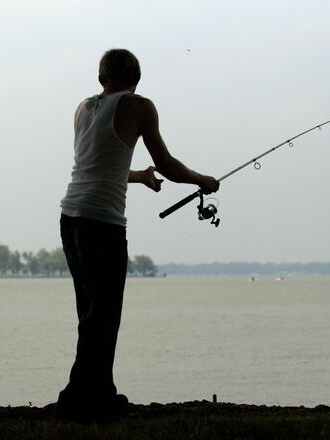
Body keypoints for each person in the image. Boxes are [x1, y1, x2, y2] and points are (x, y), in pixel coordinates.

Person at [55, 49, 219, 421]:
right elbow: (167, 163)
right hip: (102, 223)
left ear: (101, 78)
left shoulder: (83, 108)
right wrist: (202, 180)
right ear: (136, 79)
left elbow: (98, 166)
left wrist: (140, 177)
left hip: (71, 217)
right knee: (104, 314)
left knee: (92, 313)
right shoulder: (139, 106)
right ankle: (78, 400)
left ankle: (98, 394)